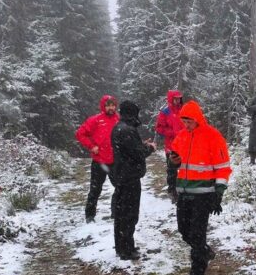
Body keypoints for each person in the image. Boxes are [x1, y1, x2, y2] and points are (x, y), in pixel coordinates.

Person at [168, 101, 232, 275]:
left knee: (197, 233)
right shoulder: (181, 136)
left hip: (204, 194)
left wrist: (218, 193)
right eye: (184, 122)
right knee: (184, 231)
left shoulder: (213, 136)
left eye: (189, 122)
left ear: (197, 119)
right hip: (184, 192)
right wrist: (174, 161)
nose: (186, 125)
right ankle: (204, 251)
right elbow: (176, 162)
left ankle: (196, 274)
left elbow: (223, 167)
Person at [110, 100, 156, 260]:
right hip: (129, 177)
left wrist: (141, 145)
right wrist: (149, 148)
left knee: (122, 213)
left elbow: (128, 149)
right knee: (128, 214)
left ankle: (123, 246)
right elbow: (137, 153)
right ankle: (126, 249)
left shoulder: (119, 127)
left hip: (122, 175)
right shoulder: (127, 130)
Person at [75, 95, 119, 223]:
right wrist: (91, 146)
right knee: (95, 190)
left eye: (113, 105)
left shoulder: (118, 119)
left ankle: (116, 213)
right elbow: (80, 134)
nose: (111, 108)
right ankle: (90, 216)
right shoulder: (95, 120)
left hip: (115, 161)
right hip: (99, 161)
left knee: (120, 187)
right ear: (103, 106)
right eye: (108, 105)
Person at [155, 90, 184, 199]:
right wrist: (172, 133)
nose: (178, 101)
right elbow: (159, 128)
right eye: (175, 99)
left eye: (179, 98)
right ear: (171, 99)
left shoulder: (184, 109)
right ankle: (172, 190)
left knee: (185, 168)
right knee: (172, 170)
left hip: (184, 145)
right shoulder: (165, 112)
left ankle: (184, 188)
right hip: (171, 146)